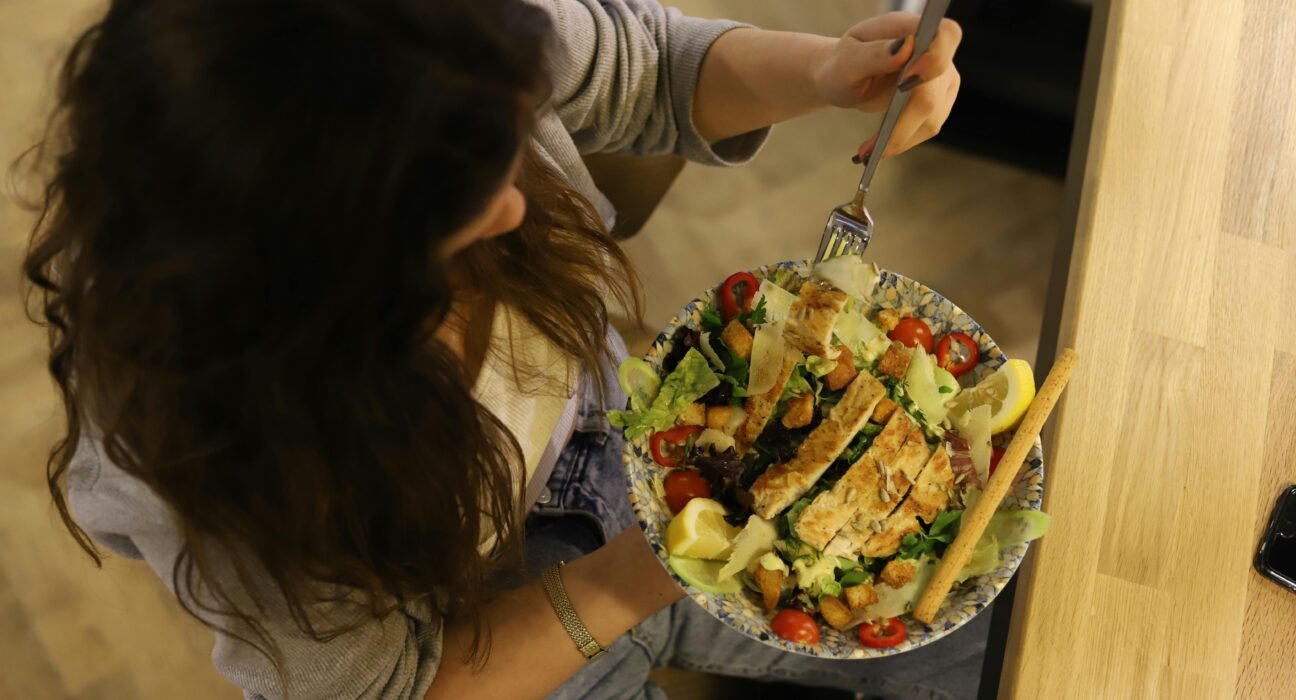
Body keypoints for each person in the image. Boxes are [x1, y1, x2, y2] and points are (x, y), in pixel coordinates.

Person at [21, 0, 977, 698]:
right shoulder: (223, 462)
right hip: (480, 626)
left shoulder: (430, 30)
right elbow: (395, 690)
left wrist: (818, 73)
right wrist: (639, 574)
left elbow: (641, 64)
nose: (524, 205)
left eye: (514, 138)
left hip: (627, 453)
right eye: (452, 218)